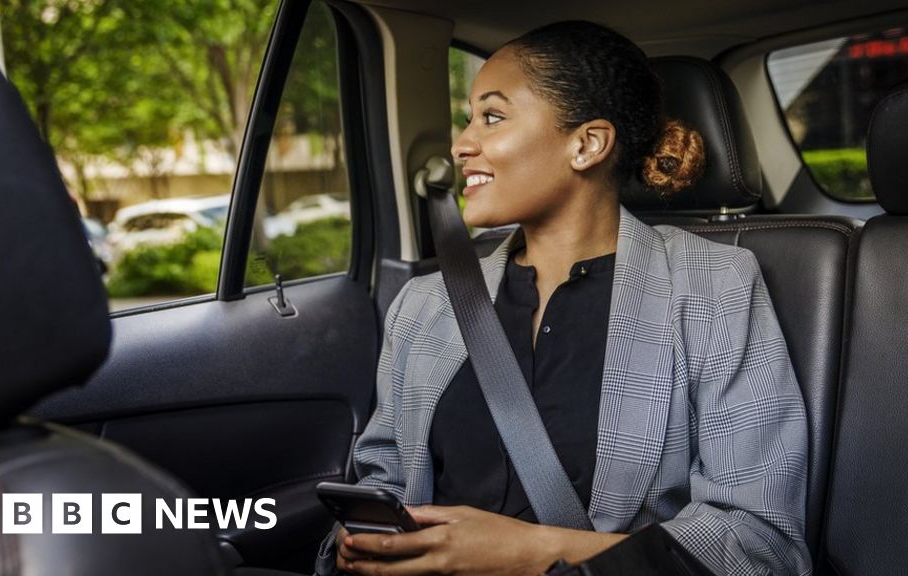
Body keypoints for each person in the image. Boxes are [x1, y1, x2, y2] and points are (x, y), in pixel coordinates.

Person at [317, 20, 811, 576]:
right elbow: (385, 478)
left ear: (587, 144)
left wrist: (528, 553)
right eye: (469, 118)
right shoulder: (424, 304)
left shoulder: (713, 287)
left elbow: (759, 544)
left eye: (492, 117)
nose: (461, 144)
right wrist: (363, 538)